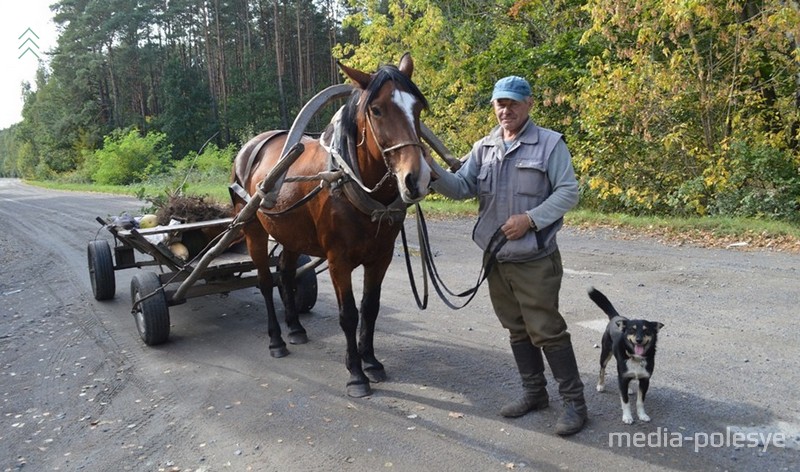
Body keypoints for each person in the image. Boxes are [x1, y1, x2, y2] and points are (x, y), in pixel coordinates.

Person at [426, 75, 587, 436]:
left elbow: (568, 193)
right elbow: (461, 188)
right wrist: (431, 170)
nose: (506, 109)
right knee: (516, 328)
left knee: (546, 330)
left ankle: (575, 404)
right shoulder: (484, 148)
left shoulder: (549, 144)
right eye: (500, 103)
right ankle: (534, 394)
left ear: (529, 103)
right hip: (497, 258)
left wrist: (531, 220)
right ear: (494, 106)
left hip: (534, 258)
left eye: (514, 102)